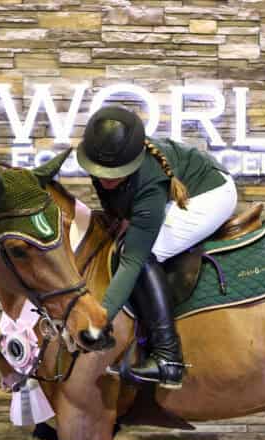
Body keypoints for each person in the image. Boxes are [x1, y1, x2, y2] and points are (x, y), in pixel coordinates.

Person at [75, 105, 237, 388]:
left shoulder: (148, 183)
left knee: (142, 253)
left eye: (115, 173)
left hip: (210, 193)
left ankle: (168, 358)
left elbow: (133, 261)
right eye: (100, 171)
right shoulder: (103, 162)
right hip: (173, 187)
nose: (104, 177)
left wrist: (100, 319)